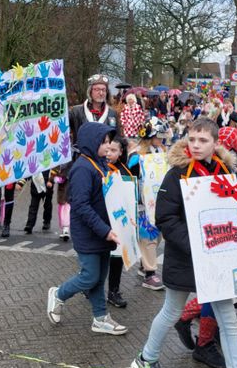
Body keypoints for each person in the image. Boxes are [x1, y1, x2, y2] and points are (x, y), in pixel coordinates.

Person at [131, 118, 237, 368]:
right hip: (185, 257)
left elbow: (233, 211)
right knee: (171, 311)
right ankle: (146, 358)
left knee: (228, 320)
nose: (196, 145)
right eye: (192, 139)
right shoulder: (175, 174)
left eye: (203, 140)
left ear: (216, 144)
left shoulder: (225, 172)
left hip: (217, 258)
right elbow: (165, 218)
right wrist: (195, 244)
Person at [47, 122, 128, 335]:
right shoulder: (83, 168)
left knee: (99, 277)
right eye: (105, 143)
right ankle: (59, 294)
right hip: (89, 233)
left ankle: (100, 318)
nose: (108, 148)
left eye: (110, 144)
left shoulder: (99, 164)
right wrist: (105, 230)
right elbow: (81, 205)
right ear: (92, 142)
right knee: (90, 276)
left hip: (102, 232)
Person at [61, 74, 122, 241]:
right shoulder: (76, 111)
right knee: (81, 198)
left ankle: (102, 229)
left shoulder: (112, 113)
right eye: (97, 89)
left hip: (105, 163)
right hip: (82, 162)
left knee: (101, 198)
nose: (100, 93)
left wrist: (116, 149)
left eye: (103, 90)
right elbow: (62, 128)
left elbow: (119, 137)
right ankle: (79, 232)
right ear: (90, 91)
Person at [128, 117, 172, 291]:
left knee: (158, 234)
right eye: (158, 135)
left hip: (160, 200)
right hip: (142, 202)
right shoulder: (136, 155)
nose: (161, 138)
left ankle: (144, 265)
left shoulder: (161, 151)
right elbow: (131, 177)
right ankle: (150, 273)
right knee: (148, 237)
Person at [105, 136, 134, 309]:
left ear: (121, 152)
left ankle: (113, 291)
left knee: (117, 259)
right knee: (99, 258)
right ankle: (89, 285)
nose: (109, 153)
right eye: (107, 149)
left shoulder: (126, 171)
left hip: (119, 222)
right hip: (103, 223)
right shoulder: (101, 169)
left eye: (113, 150)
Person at [24, 169, 55, 235]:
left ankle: (47, 221)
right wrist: (22, 182)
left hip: (47, 185)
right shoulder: (35, 158)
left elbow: (55, 167)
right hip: (35, 185)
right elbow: (29, 170)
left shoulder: (50, 158)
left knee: (47, 205)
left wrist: (51, 180)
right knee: (33, 206)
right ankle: (30, 225)